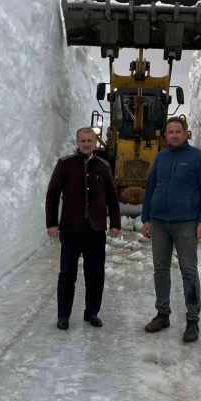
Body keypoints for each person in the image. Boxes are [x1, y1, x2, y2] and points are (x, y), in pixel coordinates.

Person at [141, 117, 201, 342]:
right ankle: (162, 314)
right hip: (160, 222)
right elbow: (151, 188)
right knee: (160, 268)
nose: (174, 135)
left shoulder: (197, 158)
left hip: (185, 223)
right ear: (165, 135)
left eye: (178, 131)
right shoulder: (161, 157)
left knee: (189, 271)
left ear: (185, 134)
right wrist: (146, 218)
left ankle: (192, 320)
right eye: (170, 131)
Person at [46, 127, 121, 330]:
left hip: (95, 230)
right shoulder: (65, 164)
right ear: (77, 142)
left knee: (95, 274)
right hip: (71, 229)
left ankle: (92, 313)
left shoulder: (103, 166)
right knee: (67, 274)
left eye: (90, 140)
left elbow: (112, 198)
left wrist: (115, 223)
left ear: (95, 142)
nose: (86, 144)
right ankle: (63, 316)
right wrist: (51, 223)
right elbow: (52, 195)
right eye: (83, 141)